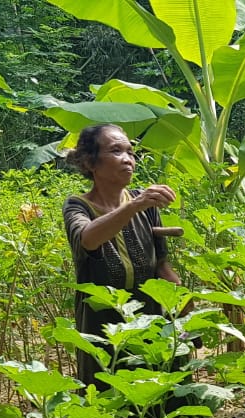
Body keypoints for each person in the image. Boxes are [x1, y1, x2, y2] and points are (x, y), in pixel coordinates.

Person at [63, 123, 181, 388]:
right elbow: (88, 239)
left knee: (160, 390)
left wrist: (185, 310)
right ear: (90, 162)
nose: (128, 159)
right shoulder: (77, 205)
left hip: (149, 315)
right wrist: (135, 205)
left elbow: (162, 266)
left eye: (130, 152)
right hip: (103, 323)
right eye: (116, 151)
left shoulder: (145, 203)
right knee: (108, 390)